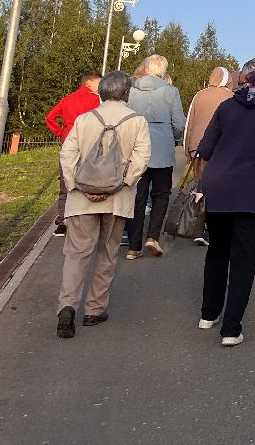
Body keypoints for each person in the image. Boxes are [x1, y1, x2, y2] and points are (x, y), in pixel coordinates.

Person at [196, 56, 255, 347]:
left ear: (243, 78)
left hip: (219, 189)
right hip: (253, 192)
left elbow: (207, 147)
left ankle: (208, 314)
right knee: (243, 260)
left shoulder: (226, 107)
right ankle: (231, 328)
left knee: (217, 252)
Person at [56, 70, 150, 338]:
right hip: (116, 199)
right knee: (108, 252)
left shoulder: (85, 119)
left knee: (76, 253)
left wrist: (77, 185)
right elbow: (141, 160)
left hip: (80, 200)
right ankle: (94, 309)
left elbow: (67, 154)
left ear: (102, 92)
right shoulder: (137, 121)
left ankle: (67, 305)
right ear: (126, 93)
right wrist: (119, 184)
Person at [124, 55, 186, 260]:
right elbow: (178, 122)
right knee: (161, 194)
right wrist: (176, 137)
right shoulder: (171, 91)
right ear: (163, 70)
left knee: (137, 196)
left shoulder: (131, 90)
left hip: (136, 148)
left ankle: (134, 245)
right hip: (162, 148)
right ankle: (152, 237)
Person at [44, 70, 101, 236]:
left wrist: (60, 132)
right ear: (89, 83)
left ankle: (62, 221)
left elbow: (50, 117)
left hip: (68, 142)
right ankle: (84, 220)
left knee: (66, 184)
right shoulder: (96, 100)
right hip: (89, 145)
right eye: (99, 82)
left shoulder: (67, 99)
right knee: (88, 183)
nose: (100, 86)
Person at [182, 66, 234, 246]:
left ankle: (197, 226)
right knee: (217, 188)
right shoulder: (231, 97)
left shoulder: (199, 95)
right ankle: (212, 229)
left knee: (200, 186)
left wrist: (187, 150)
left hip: (196, 148)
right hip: (220, 149)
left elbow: (189, 122)